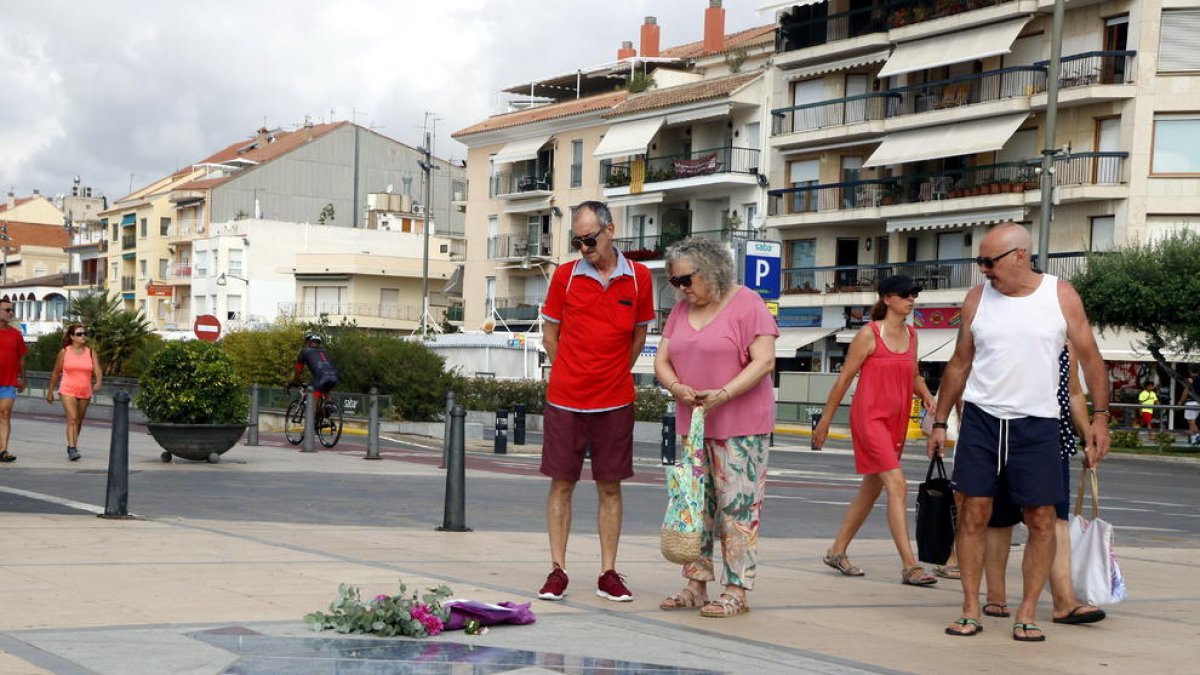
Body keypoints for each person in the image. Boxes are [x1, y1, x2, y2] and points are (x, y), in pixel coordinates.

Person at [928, 223, 1111, 641]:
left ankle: (1027, 612)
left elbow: (1091, 358)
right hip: (982, 419)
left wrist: (1099, 419)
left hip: (1038, 422)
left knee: (1042, 519)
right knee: (973, 513)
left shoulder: (1060, 296)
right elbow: (959, 363)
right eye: (980, 262)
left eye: (989, 263)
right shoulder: (977, 299)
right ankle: (971, 608)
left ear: (1019, 256)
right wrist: (940, 421)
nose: (984, 271)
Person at [654, 237, 778, 618]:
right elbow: (662, 360)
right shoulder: (679, 310)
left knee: (737, 508)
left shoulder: (747, 304)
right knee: (694, 508)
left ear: (711, 270)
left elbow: (764, 361)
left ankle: (736, 589)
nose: (681, 289)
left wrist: (723, 394)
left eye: (686, 280)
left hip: (740, 425)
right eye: (674, 282)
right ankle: (695, 583)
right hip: (693, 424)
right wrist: (677, 388)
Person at [537, 201, 654, 603]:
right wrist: (567, 369)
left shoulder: (639, 279)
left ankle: (608, 572)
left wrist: (617, 371)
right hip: (566, 400)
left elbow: (638, 337)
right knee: (562, 485)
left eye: (589, 239)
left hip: (615, 400)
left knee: (610, 487)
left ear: (610, 230)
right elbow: (549, 335)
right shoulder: (566, 277)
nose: (583, 248)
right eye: (577, 241)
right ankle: (557, 570)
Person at [813, 275, 937, 586]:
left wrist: (927, 395)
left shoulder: (912, 335)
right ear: (888, 299)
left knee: (872, 487)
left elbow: (912, 374)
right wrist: (825, 422)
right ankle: (910, 566)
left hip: (896, 421)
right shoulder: (869, 335)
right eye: (906, 294)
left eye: (915, 294)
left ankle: (837, 550)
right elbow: (843, 380)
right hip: (869, 419)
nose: (912, 299)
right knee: (897, 484)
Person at [980, 344, 1107, 625]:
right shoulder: (1003, 333)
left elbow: (1074, 392)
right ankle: (995, 596)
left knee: (1054, 519)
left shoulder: (1066, 345)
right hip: (1001, 433)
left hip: (1052, 440)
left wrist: (1087, 435)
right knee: (1000, 519)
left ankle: (1064, 602)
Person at [45, 324, 103, 461]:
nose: (83, 336)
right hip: (67, 389)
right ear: (72, 337)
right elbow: (55, 372)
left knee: (79, 420)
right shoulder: (65, 352)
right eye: (79, 334)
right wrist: (50, 391)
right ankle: (72, 448)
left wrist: (99, 382)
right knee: (72, 418)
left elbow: (98, 370)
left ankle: (72, 445)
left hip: (84, 390)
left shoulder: (90, 352)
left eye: (84, 333)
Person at [0, 299, 26, 463]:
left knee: (5, 414)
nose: (10, 313)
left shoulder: (15, 334)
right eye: (7, 310)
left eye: (11, 310)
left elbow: (21, 358)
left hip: (9, 381)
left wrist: (22, 377)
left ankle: (3, 450)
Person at [292, 332, 340, 417]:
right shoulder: (324, 351)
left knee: (314, 401)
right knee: (325, 388)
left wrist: (296, 380)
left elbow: (298, 369)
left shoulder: (304, 351)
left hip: (321, 378)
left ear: (308, 342)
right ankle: (328, 406)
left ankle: (310, 426)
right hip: (334, 376)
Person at [1176, 368, 1200, 445]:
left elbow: (1186, 391)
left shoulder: (1189, 380)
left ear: (1189, 371)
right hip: (1198, 402)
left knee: (1191, 421)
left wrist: (1180, 401)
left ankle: (1194, 440)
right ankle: (1197, 436)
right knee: (1191, 420)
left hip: (1191, 402)